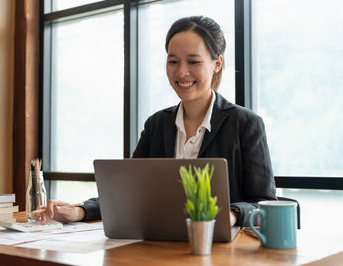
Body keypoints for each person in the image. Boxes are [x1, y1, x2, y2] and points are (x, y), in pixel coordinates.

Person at [35, 16, 276, 227]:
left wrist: (231, 215)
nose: (181, 72)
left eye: (193, 62)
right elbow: (128, 193)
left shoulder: (245, 124)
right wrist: (79, 211)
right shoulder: (157, 125)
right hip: (160, 246)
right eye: (173, 61)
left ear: (217, 64)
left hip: (220, 252)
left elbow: (266, 206)